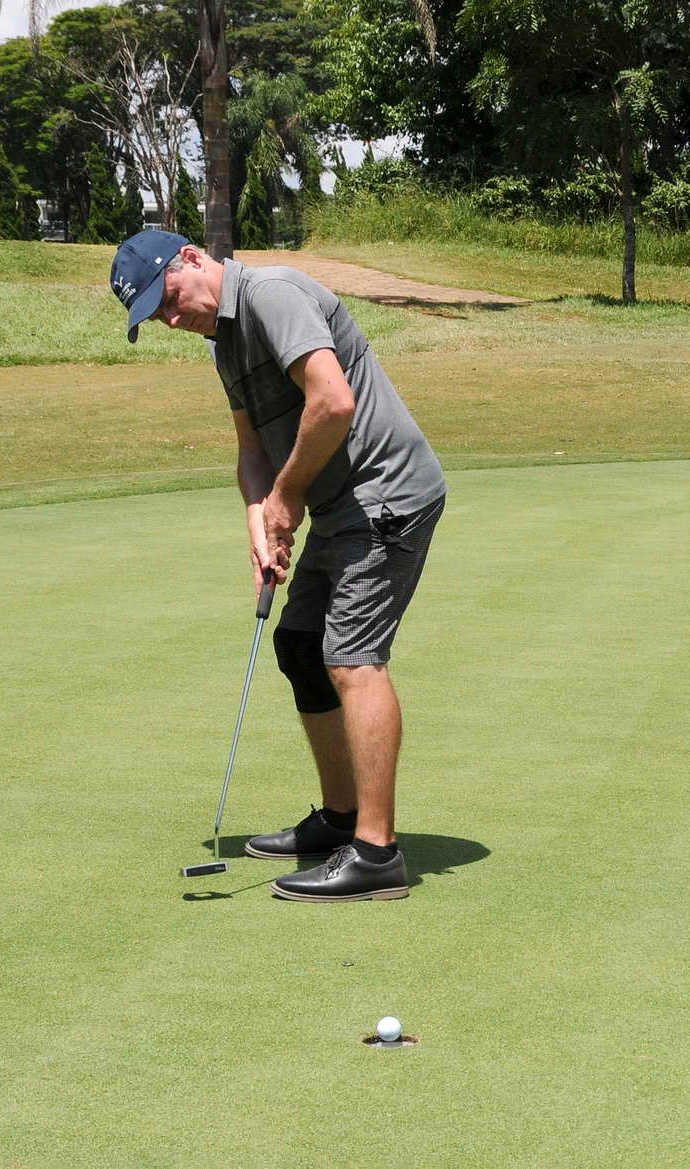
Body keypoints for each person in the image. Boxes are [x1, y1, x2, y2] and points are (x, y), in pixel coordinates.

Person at [110, 229, 446, 902]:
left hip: (386, 494)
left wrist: (287, 498)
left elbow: (333, 402)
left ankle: (376, 854)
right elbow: (251, 449)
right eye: (156, 316)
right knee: (298, 643)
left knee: (351, 659)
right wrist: (258, 522)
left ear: (192, 259)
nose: (172, 320)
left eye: (168, 300)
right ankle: (341, 817)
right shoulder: (224, 343)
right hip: (341, 505)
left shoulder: (273, 295)